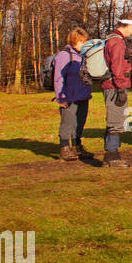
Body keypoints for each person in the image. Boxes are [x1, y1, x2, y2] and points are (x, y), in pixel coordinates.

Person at [99, 15, 132, 168]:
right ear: (128, 26)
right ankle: (112, 155)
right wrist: (121, 87)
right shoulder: (117, 42)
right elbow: (117, 68)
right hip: (115, 86)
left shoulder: (114, 39)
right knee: (115, 120)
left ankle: (110, 155)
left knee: (115, 118)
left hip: (113, 85)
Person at [54, 27, 91, 162]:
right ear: (74, 40)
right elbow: (58, 78)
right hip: (69, 96)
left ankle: (77, 146)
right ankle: (64, 148)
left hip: (83, 95)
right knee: (67, 123)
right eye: (82, 41)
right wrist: (61, 98)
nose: (84, 44)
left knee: (79, 123)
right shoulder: (64, 56)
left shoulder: (83, 56)